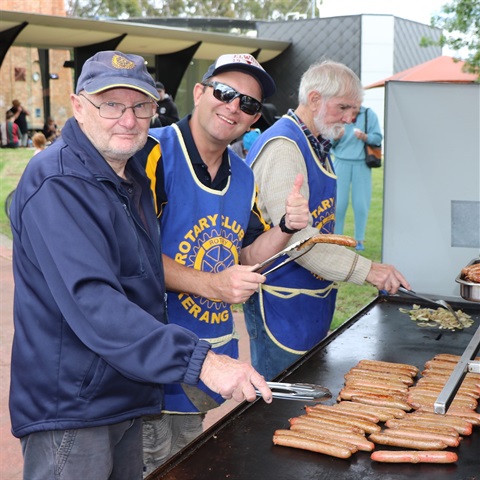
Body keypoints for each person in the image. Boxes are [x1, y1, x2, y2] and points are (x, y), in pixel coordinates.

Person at [8, 50, 274, 480]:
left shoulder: (128, 177)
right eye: (110, 104)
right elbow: (95, 304)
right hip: (74, 409)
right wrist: (202, 362)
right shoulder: (58, 182)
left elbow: (143, 278)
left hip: (127, 393)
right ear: (78, 106)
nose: (128, 120)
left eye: (140, 106)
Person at [135, 53, 309, 474]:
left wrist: (286, 226)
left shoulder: (243, 174)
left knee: (187, 462)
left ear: (253, 120)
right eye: (225, 93)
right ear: (199, 92)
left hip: (210, 359)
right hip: (152, 359)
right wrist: (213, 285)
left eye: (248, 104)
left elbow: (245, 255)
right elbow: (130, 258)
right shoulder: (151, 153)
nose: (234, 107)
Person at [244, 60, 411, 381]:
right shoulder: (285, 147)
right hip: (281, 301)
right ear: (315, 99)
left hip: (311, 298)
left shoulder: (317, 143)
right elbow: (297, 240)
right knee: (279, 401)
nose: (350, 118)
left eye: (355, 109)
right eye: (344, 107)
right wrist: (370, 271)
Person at [331, 106, 382, 251]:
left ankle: (359, 239)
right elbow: (327, 141)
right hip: (340, 162)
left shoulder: (368, 114)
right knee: (339, 204)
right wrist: (336, 137)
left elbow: (378, 137)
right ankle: (337, 238)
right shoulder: (338, 112)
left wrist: (365, 137)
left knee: (361, 204)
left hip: (362, 164)